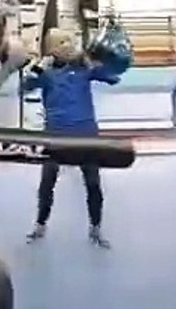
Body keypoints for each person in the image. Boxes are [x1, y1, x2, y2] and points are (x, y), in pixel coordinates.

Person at [22, 27, 122, 247]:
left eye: (69, 41)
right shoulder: (46, 73)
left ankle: (96, 228)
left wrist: (91, 61)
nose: (68, 46)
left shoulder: (83, 69)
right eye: (62, 42)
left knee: (93, 184)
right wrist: (39, 67)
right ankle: (40, 224)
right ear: (51, 48)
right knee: (47, 183)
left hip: (85, 135)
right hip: (55, 136)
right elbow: (25, 87)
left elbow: (113, 78)